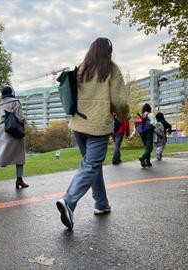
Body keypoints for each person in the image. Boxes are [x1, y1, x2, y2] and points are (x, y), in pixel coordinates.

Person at [56, 38, 129, 230]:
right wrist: (123, 116)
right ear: (109, 51)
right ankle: (68, 202)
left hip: (78, 124)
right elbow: (120, 101)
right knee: (91, 165)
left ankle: (101, 204)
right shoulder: (111, 69)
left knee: (92, 164)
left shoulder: (81, 68)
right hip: (97, 125)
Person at [129, 103, 156, 167]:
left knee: (147, 147)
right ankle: (143, 157)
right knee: (149, 147)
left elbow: (136, 127)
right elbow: (153, 123)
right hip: (148, 132)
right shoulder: (151, 114)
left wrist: (132, 134)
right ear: (149, 109)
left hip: (141, 133)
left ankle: (148, 162)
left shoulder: (140, 116)